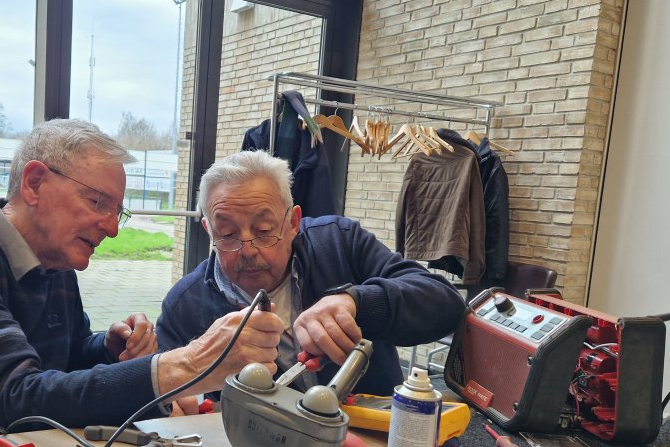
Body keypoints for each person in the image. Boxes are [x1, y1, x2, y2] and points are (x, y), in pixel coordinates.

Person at [0, 119, 283, 447]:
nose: (111, 228)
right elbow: (19, 396)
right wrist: (187, 364)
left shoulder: (55, 262)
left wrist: (106, 349)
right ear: (34, 183)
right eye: (97, 202)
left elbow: (63, 360)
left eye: (117, 211)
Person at [156, 150, 466, 403]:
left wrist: (356, 303)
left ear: (293, 223)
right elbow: (170, 405)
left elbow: (445, 305)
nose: (247, 250)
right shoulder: (183, 308)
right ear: (208, 231)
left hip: (375, 445)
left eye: (264, 231)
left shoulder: (340, 243)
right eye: (227, 234)